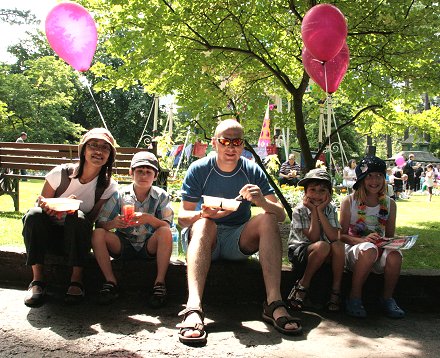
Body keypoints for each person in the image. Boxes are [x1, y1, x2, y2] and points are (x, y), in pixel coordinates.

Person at [177, 119, 302, 344]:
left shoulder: (251, 170)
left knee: (267, 220)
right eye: (225, 141)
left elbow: (281, 214)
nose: (231, 147)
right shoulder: (200, 169)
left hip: (238, 239)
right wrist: (203, 214)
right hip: (206, 239)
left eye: (237, 141)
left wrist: (261, 200)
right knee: (206, 224)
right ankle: (193, 307)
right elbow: (182, 218)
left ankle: (274, 302)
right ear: (215, 143)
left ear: (243, 145)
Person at [22, 128, 118, 307]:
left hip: (75, 241)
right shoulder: (60, 174)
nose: (98, 151)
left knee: (79, 217)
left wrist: (72, 210)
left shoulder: (108, 186)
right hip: (48, 236)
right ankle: (37, 281)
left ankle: (76, 280)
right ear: (83, 149)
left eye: (105, 148)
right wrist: (51, 205)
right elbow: (41, 206)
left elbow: (92, 221)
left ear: (110, 155)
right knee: (33, 215)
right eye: (93, 145)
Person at [92, 152, 173, 307]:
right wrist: (113, 224)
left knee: (164, 232)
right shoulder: (120, 195)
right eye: (139, 171)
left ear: (155, 176)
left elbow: (167, 225)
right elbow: (101, 224)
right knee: (98, 234)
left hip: (148, 244)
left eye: (148, 172)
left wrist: (149, 219)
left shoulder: (161, 196)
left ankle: (159, 283)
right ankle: (110, 282)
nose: (144, 175)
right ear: (131, 173)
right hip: (124, 243)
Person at [340, 156, 405, 319]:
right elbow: (340, 235)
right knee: (368, 250)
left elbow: (389, 235)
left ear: (384, 178)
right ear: (361, 179)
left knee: (395, 255)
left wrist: (395, 241)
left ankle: (387, 298)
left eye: (379, 176)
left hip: (378, 247)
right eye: (369, 176)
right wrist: (362, 240)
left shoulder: (390, 204)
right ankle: (354, 297)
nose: (374, 180)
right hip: (355, 250)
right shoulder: (350, 202)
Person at [287, 168, 345, 312]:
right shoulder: (299, 210)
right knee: (323, 246)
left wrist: (320, 211)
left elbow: (333, 237)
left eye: (322, 190)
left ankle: (335, 290)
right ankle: (303, 285)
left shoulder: (330, 209)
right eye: (312, 190)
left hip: (323, 250)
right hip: (300, 251)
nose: (317, 195)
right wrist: (313, 211)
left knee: (338, 245)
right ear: (306, 193)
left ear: (329, 194)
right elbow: (313, 238)